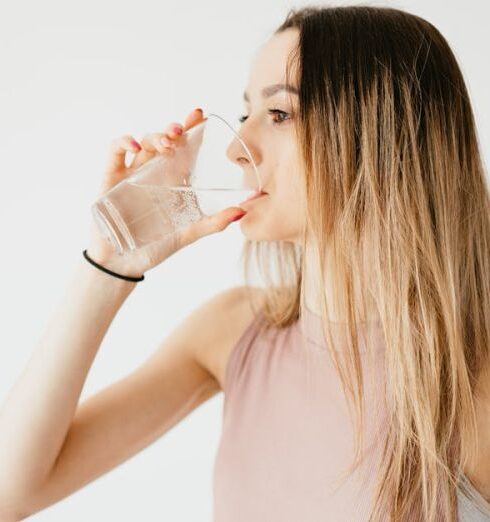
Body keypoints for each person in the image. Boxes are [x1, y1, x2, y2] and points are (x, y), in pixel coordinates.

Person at [1, 5, 490, 522]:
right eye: (244, 115)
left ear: (382, 137)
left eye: (278, 114)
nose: (236, 149)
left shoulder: (470, 386)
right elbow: (12, 491)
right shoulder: (232, 333)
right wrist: (109, 259)